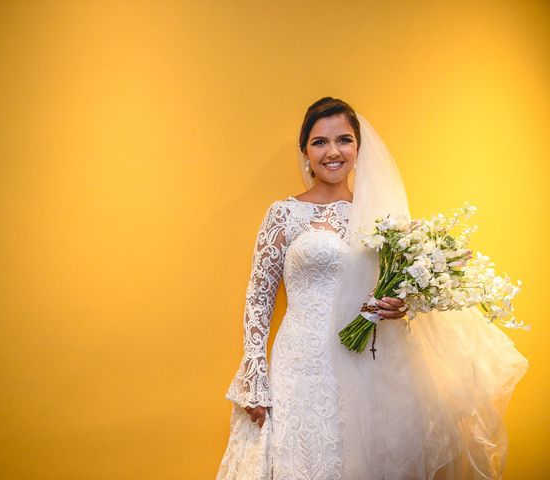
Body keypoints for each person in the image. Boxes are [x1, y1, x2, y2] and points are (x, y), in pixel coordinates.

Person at [216, 97, 529, 480]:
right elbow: (259, 297)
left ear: (358, 148)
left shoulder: (383, 219)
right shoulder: (283, 214)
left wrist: (401, 305)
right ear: (305, 153)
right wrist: (254, 374)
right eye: (319, 142)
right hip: (301, 365)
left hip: (367, 363)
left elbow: (399, 282)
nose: (333, 151)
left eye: (343, 140)